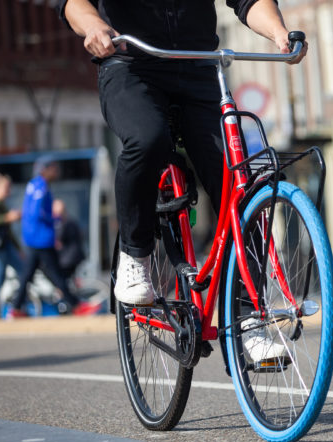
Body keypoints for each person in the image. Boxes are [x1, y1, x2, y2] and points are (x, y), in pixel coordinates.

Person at [58, 0, 307, 306]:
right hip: (131, 66)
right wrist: (94, 25)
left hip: (198, 67)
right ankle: (135, 255)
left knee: (238, 177)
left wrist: (278, 33)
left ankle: (251, 315)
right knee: (147, 139)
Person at [8, 157, 93, 317]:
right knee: (56, 274)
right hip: (41, 239)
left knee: (28, 275)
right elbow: (36, 212)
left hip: (33, 238)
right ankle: (75, 305)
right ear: (44, 169)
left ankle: (16, 308)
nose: (56, 171)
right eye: (53, 168)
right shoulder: (41, 186)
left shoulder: (32, 184)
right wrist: (54, 218)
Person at [0, 172, 24, 318]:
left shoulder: (3, 204)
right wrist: (7, 217)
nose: (9, 191)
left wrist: (18, 249)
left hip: (6, 246)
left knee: (23, 273)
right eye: (6, 188)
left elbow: (9, 233)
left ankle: (19, 305)